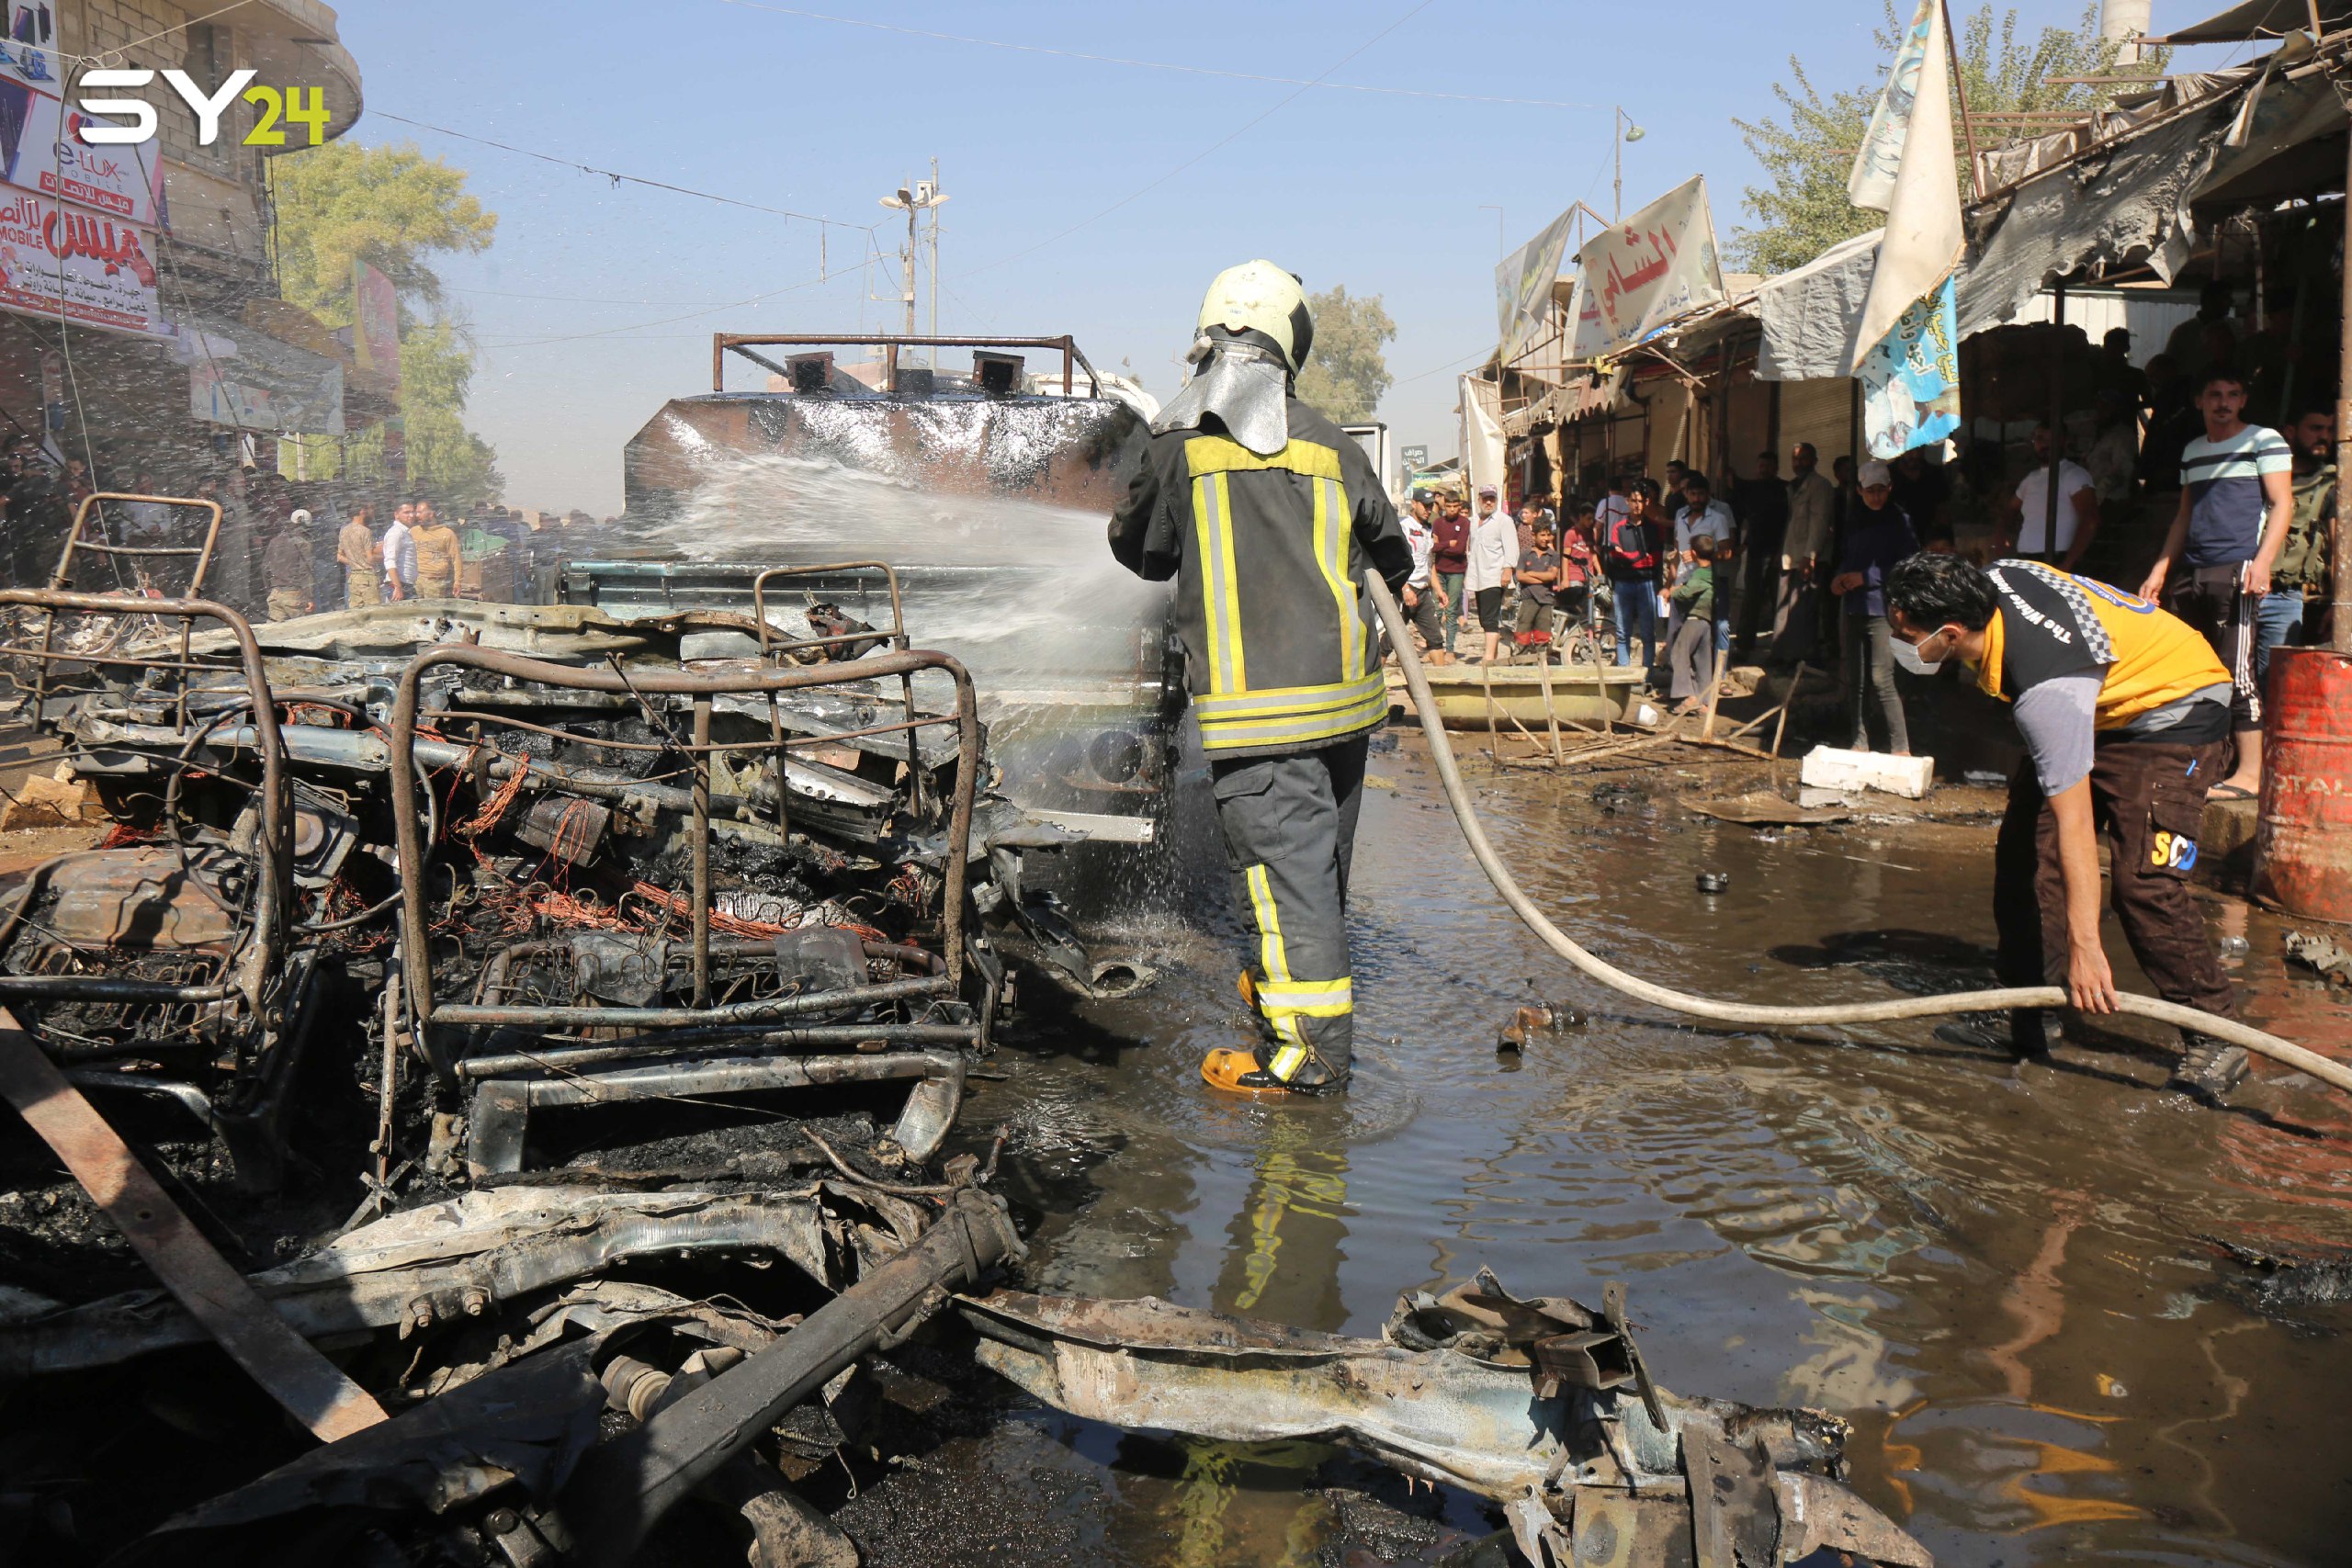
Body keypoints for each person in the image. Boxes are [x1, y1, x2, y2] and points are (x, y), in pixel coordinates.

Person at [1108, 260, 1410, 1096]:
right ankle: (1288, 999)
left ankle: (1310, 1062)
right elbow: (1394, 555)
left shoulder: (1179, 445)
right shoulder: (1333, 443)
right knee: (1316, 877)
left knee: (1287, 879)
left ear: (1209, 341)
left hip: (1262, 714)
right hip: (1347, 711)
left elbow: (1138, 548)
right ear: (1290, 345)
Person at [1884, 552, 2249, 1101]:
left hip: (2173, 706)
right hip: (2096, 698)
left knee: (2143, 882)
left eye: (1906, 634)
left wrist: (2086, 945)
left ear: (1952, 633)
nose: (1902, 644)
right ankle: (2030, 1010)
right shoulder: (1993, 580)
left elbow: (2076, 824)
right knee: (2024, 859)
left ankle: (2218, 1034)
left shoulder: (2045, 692)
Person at [2138, 368, 2292, 801]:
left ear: (2243, 400)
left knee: (2237, 671)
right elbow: (2184, 516)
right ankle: (2207, 765)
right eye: (2215, 395)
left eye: (2232, 395)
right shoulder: (2193, 451)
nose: (2223, 402)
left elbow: (2283, 504)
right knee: (2192, 670)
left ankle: (2250, 774)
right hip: (2193, 571)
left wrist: (2262, 563)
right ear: (2200, 401)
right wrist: (2160, 570)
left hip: (2238, 569)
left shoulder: (2265, 440)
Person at [1831, 460, 1918, 754]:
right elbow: (1846, 557)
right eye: (1870, 491)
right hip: (1853, 607)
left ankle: (1900, 746)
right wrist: (1840, 579)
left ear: (1890, 489)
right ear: (1859, 490)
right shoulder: (1854, 519)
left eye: (1881, 490)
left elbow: (1907, 566)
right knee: (1855, 680)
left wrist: (1866, 577)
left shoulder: (1899, 521)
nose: (1876, 496)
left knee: (1882, 678)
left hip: (1883, 611)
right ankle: (1859, 740)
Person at [2262, 405, 2335, 680]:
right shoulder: (2264, 475)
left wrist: (2339, 605)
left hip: (2287, 594)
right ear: (2290, 432)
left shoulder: (2329, 485)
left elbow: (2338, 551)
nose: (2324, 437)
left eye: (2329, 430)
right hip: (2242, 588)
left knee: (2276, 679)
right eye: (2316, 428)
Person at [2005, 422, 2100, 570]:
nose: (2045, 445)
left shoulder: (2074, 474)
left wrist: (2068, 562)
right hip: (2025, 559)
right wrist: (2000, 535)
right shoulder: (2030, 478)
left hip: (2057, 558)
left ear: (2064, 441)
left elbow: (2090, 519)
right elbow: (2011, 509)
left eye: (2051, 439)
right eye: (2040, 439)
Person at [1779, 442, 1835, 663]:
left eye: (1803, 458)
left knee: (1804, 610)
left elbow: (1819, 524)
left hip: (1808, 558)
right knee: (1789, 611)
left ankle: (1804, 659)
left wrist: (1809, 556)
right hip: (1790, 555)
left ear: (1814, 461)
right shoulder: (1794, 486)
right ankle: (1787, 656)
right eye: (1795, 459)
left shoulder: (1820, 486)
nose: (1798, 463)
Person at [1732, 449, 1788, 658]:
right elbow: (1727, 477)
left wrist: (1781, 550)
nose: (1764, 470)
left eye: (1768, 466)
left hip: (1779, 553)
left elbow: (1790, 522)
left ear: (1776, 468)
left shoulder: (1785, 489)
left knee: (1779, 602)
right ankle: (1744, 646)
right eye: (1761, 466)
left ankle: (1780, 650)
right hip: (1756, 552)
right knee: (1751, 600)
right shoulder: (1751, 488)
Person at [1605, 478, 1663, 672]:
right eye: (1633, 501)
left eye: (1640, 501)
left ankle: (1647, 675)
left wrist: (1627, 557)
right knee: (1622, 632)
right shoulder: (1619, 528)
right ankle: (1624, 674)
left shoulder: (1654, 529)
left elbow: (1654, 559)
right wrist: (1639, 556)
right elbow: (1614, 556)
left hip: (1647, 584)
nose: (1636, 505)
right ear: (1627, 501)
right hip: (1623, 584)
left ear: (1646, 502)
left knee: (1648, 633)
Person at [1396, 490, 1451, 664]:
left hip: (1422, 591)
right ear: (1414, 504)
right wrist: (1405, 589)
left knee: (1436, 639)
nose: (1427, 510)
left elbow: (1429, 564)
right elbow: (1394, 562)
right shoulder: (1404, 527)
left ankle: (1443, 686)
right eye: (1424, 506)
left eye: (1430, 506)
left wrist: (1439, 591)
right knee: (1391, 640)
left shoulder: (1428, 529)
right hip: (1405, 589)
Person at [1465, 482, 1517, 664]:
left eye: (1491, 499)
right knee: (1484, 618)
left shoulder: (1504, 521)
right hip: (1478, 576)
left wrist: (1507, 569)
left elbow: (1512, 548)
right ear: (1479, 499)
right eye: (1485, 499)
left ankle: (1488, 658)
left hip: (1494, 576)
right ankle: (1492, 656)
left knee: (1489, 618)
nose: (1488, 502)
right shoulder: (1472, 522)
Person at [1667, 535, 1718, 712]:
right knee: (1703, 661)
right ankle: (1705, 702)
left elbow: (1686, 593)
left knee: (1678, 652)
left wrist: (1672, 591)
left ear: (1694, 553)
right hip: (1707, 621)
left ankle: (1689, 696)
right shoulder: (1714, 572)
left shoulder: (1700, 574)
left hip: (1695, 618)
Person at [1511, 519, 1562, 659]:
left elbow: (1551, 576)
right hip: (1528, 599)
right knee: (1523, 635)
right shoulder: (1525, 554)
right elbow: (1520, 576)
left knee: (1543, 636)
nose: (1546, 539)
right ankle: (1519, 666)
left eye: (1548, 535)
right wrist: (1541, 578)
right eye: (1542, 535)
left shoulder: (1554, 555)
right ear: (1534, 536)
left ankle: (1542, 667)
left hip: (1546, 600)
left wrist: (1531, 574)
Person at [1429, 491, 1468, 654]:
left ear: (1459, 506)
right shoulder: (1438, 523)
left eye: (1455, 507)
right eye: (1449, 506)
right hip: (1439, 570)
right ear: (1444, 506)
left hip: (1456, 572)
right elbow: (1432, 547)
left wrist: (1442, 546)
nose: (1452, 510)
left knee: (1451, 610)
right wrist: (1449, 543)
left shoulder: (1465, 523)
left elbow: (1460, 549)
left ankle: (1450, 649)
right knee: (1436, 610)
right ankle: (1435, 647)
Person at [264, 510, 313, 622]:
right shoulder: (303, 544)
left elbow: (265, 569)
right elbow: (305, 572)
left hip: (275, 595)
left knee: (274, 633)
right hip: (294, 596)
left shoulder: (274, 541)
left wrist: (270, 589)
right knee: (303, 632)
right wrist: (309, 598)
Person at [412, 497, 461, 601]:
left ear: (431, 514)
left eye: (420, 512)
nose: (417, 516)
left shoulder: (447, 534)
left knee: (433, 614)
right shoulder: (414, 531)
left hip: (435, 583)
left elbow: (456, 559)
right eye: (416, 512)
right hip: (417, 581)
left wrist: (457, 582)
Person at [338, 501, 380, 610]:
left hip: (353, 578)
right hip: (368, 577)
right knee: (374, 611)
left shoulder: (344, 531)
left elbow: (339, 556)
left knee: (357, 613)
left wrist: (354, 562)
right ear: (362, 511)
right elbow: (370, 558)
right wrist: (385, 555)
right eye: (368, 510)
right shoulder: (365, 531)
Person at [381, 498, 417, 602]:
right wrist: (398, 587)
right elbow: (389, 561)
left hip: (406, 585)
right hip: (399, 585)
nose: (411, 515)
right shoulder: (396, 533)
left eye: (412, 512)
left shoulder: (405, 532)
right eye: (406, 512)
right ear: (396, 515)